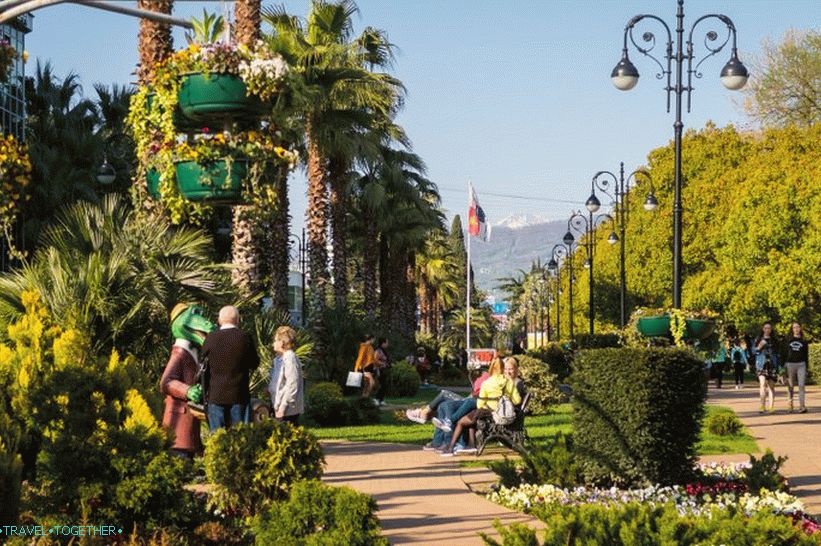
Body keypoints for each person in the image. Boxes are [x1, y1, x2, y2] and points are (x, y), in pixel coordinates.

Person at [160, 303, 215, 459]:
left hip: (189, 421)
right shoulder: (179, 354)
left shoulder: (194, 353)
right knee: (179, 459)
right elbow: (166, 382)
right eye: (193, 314)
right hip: (177, 423)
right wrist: (188, 391)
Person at [440, 357, 521, 456]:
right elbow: (517, 400)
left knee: (461, 422)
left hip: (489, 414)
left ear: (491, 368)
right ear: (503, 368)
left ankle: (450, 448)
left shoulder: (487, 383)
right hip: (503, 413)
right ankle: (471, 445)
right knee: (471, 418)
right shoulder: (509, 382)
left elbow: (479, 404)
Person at [201, 306, 260, 431]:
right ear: (238, 320)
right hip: (239, 394)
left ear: (219, 320)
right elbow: (254, 363)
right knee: (240, 436)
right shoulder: (245, 338)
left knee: (217, 437)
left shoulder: (210, 338)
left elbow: (202, 362)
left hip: (216, 394)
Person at [268, 326, 304, 424]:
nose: (273, 343)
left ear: (282, 342)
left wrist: (283, 407)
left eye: (275, 340)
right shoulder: (278, 359)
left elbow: (292, 384)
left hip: (287, 409)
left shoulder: (290, 358)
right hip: (277, 405)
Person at [754, 321, 780, 413]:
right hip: (761, 364)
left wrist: (779, 366)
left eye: (769, 328)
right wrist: (759, 346)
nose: (767, 330)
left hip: (772, 365)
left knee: (771, 386)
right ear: (763, 329)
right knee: (762, 384)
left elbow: (778, 353)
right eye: (765, 328)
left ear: (771, 329)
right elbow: (753, 351)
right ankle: (762, 405)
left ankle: (771, 407)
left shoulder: (775, 340)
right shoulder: (758, 339)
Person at [785, 321, 809, 413]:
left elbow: (806, 355)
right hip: (790, 364)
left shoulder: (804, 341)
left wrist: (807, 367)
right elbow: (783, 353)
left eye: (798, 327)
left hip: (801, 364)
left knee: (801, 385)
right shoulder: (788, 340)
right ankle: (790, 404)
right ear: (792, 329)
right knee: (791, 386)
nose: (796, 329)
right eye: (794, 327)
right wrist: (783, 365)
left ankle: (802, 406)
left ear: (800, 328)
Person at [373, 337, 391, 406]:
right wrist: (383, 364)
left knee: (384, 385)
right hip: (379, 370)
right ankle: (376, 399)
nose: (387, 344)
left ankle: (381, 399)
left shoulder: (383, 351)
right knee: (382, 385)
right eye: (386, 342)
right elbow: (375, 360)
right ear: (383, 343)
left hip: (384, 370)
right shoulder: (378, 351)